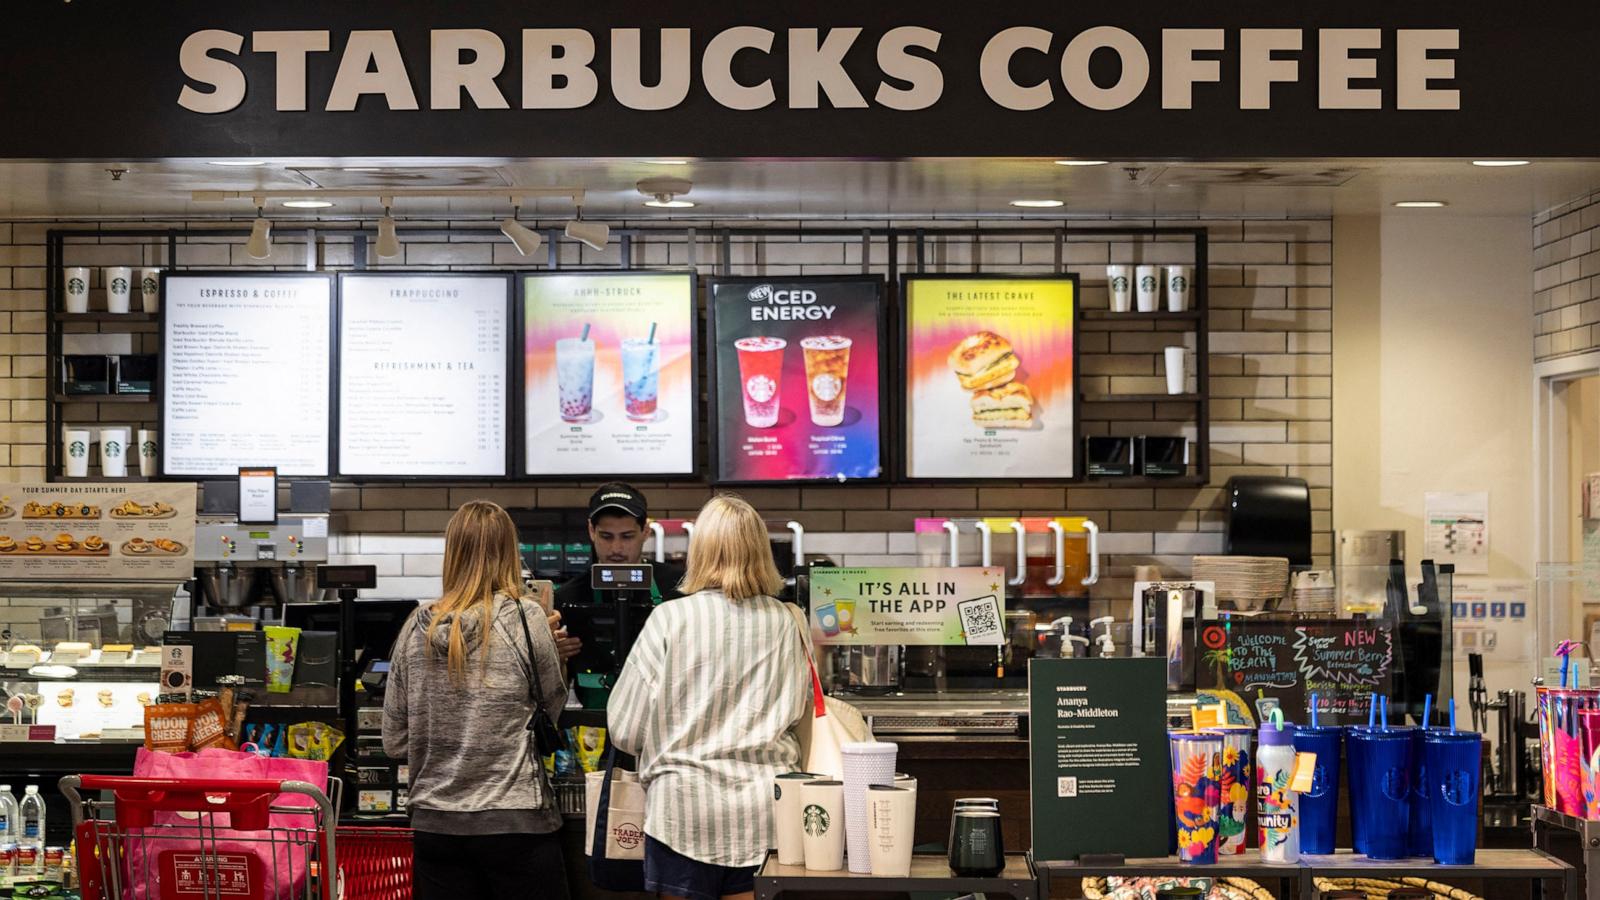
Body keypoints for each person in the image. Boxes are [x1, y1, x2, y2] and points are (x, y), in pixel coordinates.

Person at [608, 494, 810, 900]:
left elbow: (625, 729)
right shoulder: (789, 621)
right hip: (764, 813)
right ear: (760, 551)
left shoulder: (669, 618)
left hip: (682, 812)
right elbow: (800, 711)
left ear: (700, 551)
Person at [383, 500, 570, 900]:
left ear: (452, 553)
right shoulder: (526, 618)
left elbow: (394, 740)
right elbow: (551, 707)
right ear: (509, 552)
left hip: (436, 826)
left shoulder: (414, 629)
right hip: (515, 822)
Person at [555, 482, 684, 673]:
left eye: (627, 536)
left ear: (645, 532)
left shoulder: (678, 587)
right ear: (592, 531)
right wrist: (554, 657)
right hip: (595, 703)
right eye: (606, 536)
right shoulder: (568, 597)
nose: (616, 548)